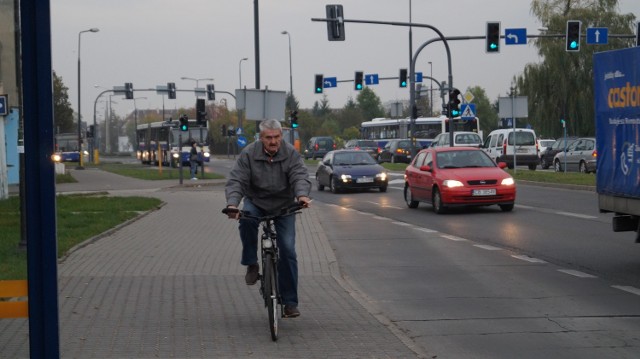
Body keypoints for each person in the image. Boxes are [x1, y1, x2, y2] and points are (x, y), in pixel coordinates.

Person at [225, 118, 311, 318]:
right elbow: (237, 179)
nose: (273, 141)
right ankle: (251, 262)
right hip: (257, 201)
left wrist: (302, 195)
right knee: (246, 219)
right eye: (268, 138)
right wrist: (232, 204)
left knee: (288, 250)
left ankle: (290, 303)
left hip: (284, 205)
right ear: (260, 138)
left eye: (277, 137)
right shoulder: (249, 153)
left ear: (281, 136)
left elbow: (300, 175)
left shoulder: (290, 152)